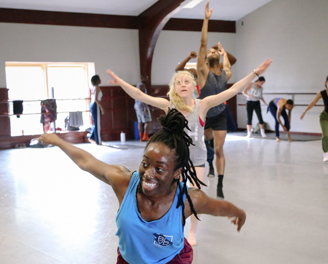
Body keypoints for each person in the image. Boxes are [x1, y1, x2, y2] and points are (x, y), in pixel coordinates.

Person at [38, 109, 247, 264]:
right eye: (145, 164)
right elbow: (87, 162)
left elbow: (217, 206)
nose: (148, 174)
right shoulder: (124, 182)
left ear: (177, 173)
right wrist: (59, 141)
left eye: (160, 169)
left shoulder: (188, 200)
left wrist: (237, 212)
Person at [107, 59, 272, 246]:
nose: (183, 85)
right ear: (174, 88)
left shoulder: (202, 105)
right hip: (175, 161)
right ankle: (171, 227)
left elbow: (232, 91)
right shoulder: (169, 106)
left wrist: (255, 73)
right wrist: (120, 82)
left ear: (193, 86)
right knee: (170, 196)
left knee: (195, 197)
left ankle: (192, 232)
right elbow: (139, 95)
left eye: (187, 82)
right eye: (179, 82)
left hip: (197, 160)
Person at [198, 1, 233, 199]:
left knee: (219, 149)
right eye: (209, 52)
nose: (210, 52)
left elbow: (227, 63)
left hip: (219, 114)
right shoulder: (203, 72)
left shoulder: (225, 74)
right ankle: (206, 163)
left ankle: (220, 183)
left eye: (214, 52)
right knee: (204, 145)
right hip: (203, 115)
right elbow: (203, 43)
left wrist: (224, 52)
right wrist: (206, 19)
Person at [300, 53, 328, 161]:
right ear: (326, 83)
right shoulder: (321, 93)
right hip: (325, 116)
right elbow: (313, 102)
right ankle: (325, 154)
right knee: (326, 135)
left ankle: (327, 131)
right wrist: (305, 111)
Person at [135, 75, 153, 141]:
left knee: (140, 121)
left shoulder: (137, 85)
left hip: (137, 105)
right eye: (146, 78)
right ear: (142, 78)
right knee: (148, 121)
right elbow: (142, 97)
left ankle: (141, 137)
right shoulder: (142, 86)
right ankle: (145, 136)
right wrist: (145, 107)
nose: (147, 80)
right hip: (142, 105)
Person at [88, 75, 105, 145]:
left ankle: (92, 137)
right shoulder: (97, 88)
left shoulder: (93, 88)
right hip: (95, 105)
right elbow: (96, 99)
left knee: (96, 123)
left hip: (92, 105)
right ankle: (98, 141)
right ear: (97, 80)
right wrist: (101, 107)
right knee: (97, 124)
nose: (100, 80)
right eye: (99, 79)